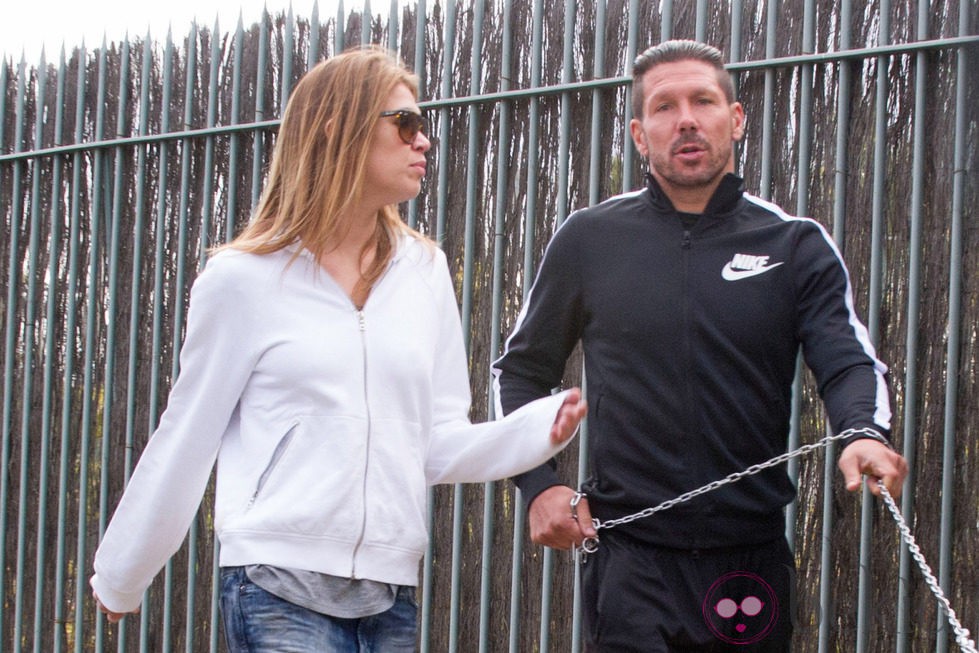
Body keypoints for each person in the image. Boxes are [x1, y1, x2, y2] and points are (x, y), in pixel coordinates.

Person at [90, 45, 587, 652]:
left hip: (389, 594)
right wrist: (121, 575)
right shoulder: (243, 280)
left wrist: (538, 430)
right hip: (275, 583)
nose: (423, 141)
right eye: (404, 123)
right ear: (337, 131)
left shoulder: (424, 272)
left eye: (422, 126)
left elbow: (432, 442)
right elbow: (186, 435)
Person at [492, 40, 908, 652]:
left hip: (749, 561)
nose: (685, 118)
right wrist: (539, 485)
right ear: (640, 134)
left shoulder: (795, 244)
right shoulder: (589, 239)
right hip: (630, 562)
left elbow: (848, 359)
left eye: (703, 101)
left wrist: (863, 434)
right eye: (664, 107)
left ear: (735, 119)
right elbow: (519, 371)